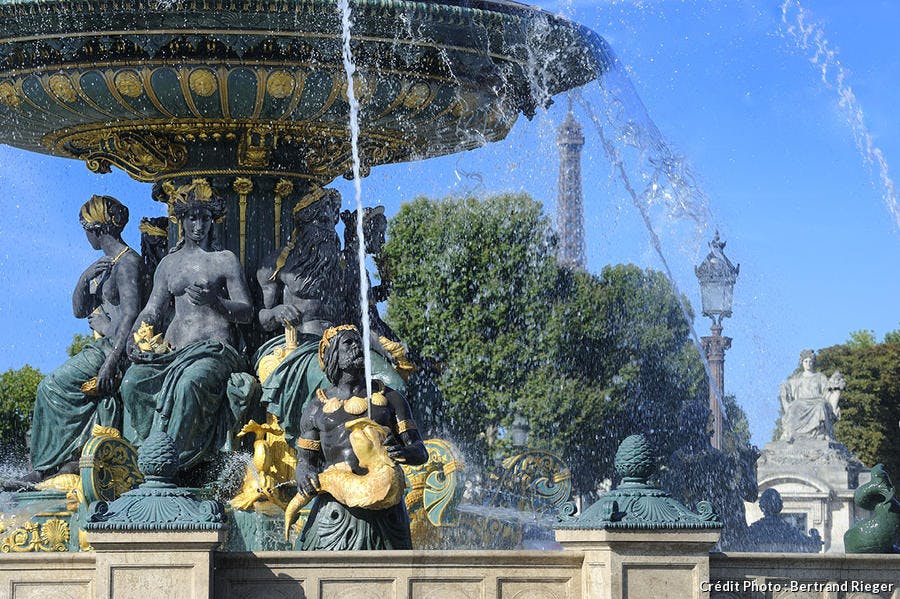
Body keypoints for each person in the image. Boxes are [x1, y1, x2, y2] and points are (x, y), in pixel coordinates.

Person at [120, 179, 257, 471]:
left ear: (212, 220)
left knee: (190, 383)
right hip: (175, 351)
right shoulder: (168, 265)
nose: (199, 225)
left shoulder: (224, 260)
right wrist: (133, 338)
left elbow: (246, 311)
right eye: (192, 217)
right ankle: (146, 453)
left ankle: (174, 463)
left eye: (205, 218)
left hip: (214, 350)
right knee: (132, 382)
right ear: (180, 220)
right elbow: (152, 310)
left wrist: (215, 302)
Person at [27, 195, 142, 480]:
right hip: (103, 345)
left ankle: (43, 467)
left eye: (85, 230)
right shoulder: (107, 265)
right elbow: (79, 311)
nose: (86, 236)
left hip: (113, 349)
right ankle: (66, 459)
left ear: (96, 229)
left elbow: (131, 317)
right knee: (56, 388)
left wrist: (111, 361)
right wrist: (84, 278)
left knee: (50, 388)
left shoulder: (128, 263)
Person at [284, 325, 428, 550]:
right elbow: (305, 461)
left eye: (359, 342)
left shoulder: (391, 398)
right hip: (335, 511)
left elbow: (420, 451)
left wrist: (404, 452)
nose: (357, 346)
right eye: (348, 343)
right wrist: (303, 474)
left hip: (387, 513)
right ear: (332, 355)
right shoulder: (316, 408)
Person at [254, 186, 345, 443]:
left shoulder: (341, 266)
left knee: (390, 381)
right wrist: (277, 312)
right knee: (333, 382)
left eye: (332, 221)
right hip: (301, 344)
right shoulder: (277, 264)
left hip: (342, 344)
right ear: (304, 224)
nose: (329, 229)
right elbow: (261, 318)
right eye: (322, 221)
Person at [779, 349, 845, 442]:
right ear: (802, 362)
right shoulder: (797, 378)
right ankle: (791, 433)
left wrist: (835, 383)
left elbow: (827, 392)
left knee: (820, 406)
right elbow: (788, 387)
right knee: (794, 407)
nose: (808, 364)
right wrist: (784, 387)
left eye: (810, 361)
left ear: (813, 362)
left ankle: (820, 433)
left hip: (817, 401)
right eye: (806, 361)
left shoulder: (820, 376)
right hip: (801, 402)